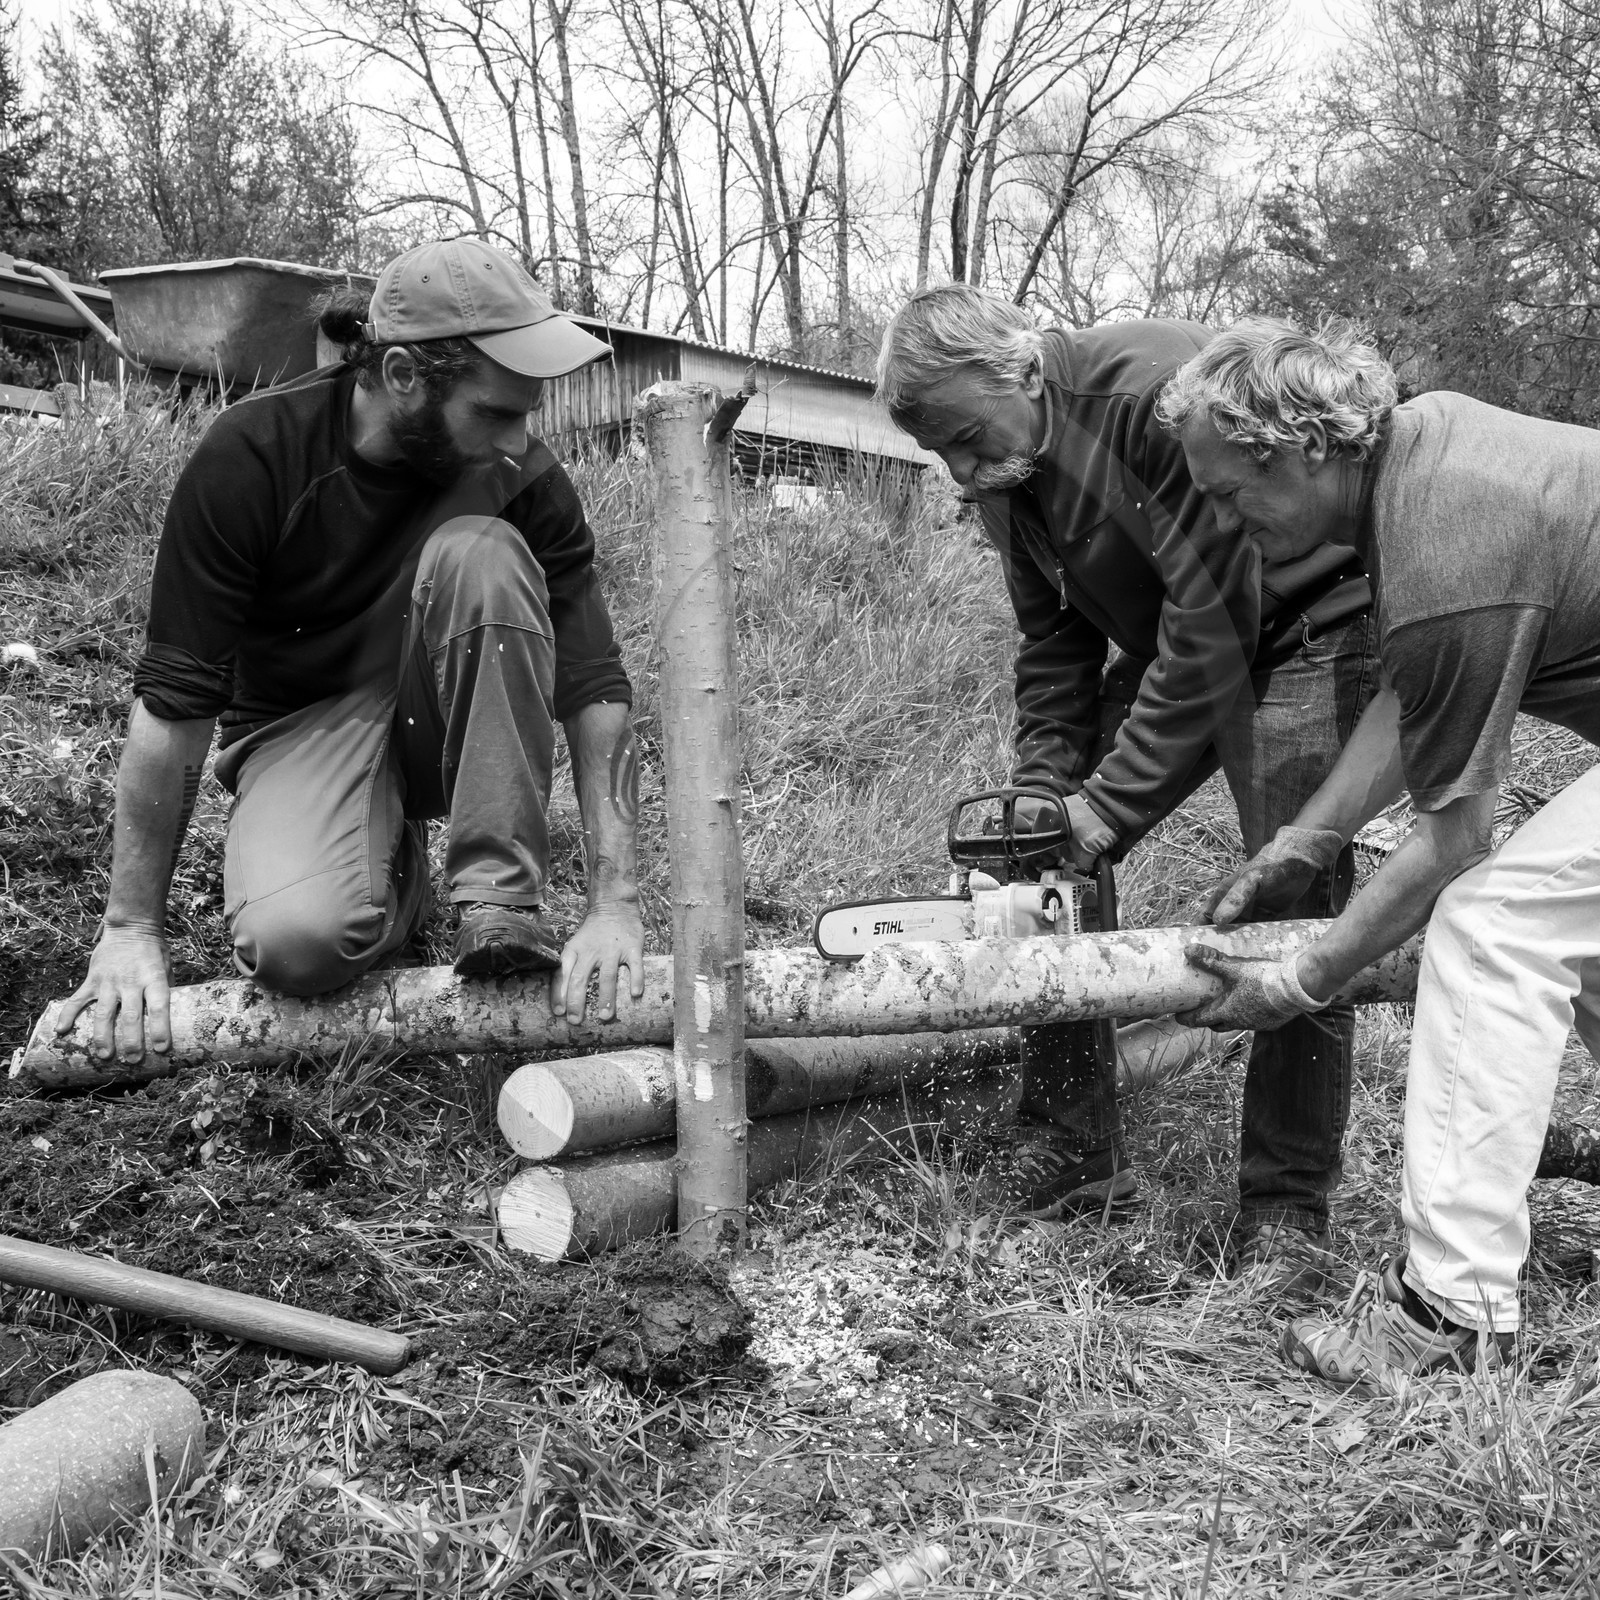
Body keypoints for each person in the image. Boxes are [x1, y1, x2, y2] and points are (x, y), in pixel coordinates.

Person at [876, 284, 1377, 1280]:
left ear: (1019, 369)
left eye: (968, 439)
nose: (964, 471)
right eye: (945, 456)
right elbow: (1054, 644)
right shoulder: (1006, 479)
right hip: (1183, 640)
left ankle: (1285, 1210)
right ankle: (1072, 1145)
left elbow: (1215, 622)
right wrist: (1043, 798)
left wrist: (1104, 809)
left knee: (1290, 896)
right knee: (1044, 851)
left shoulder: (1142, 394)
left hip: (1303, 626)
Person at [57, 237, 645, 1068]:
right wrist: (129, 928)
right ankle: (387, 865)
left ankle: (498, 903)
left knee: (483, 551)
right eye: (495, 412)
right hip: (303, 726)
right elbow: (176, 703)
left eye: (527, 413)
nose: (519, 440)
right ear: (403, 375)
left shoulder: (525, 480)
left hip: (452, 713)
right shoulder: (256, 455)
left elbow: (593, 688)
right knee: (300, 946)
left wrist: (614, 904)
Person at [1162, 315, 1600, 1388]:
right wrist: (1310, 836)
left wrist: (1302, 978)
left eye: (1228, 493)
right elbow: (1413, 690)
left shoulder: (1450, 526)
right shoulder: (1425, 450)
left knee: (1496, 927)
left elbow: (1455, 835)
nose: (1223, 521)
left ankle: (1447, 1312)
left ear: (1302, 447)